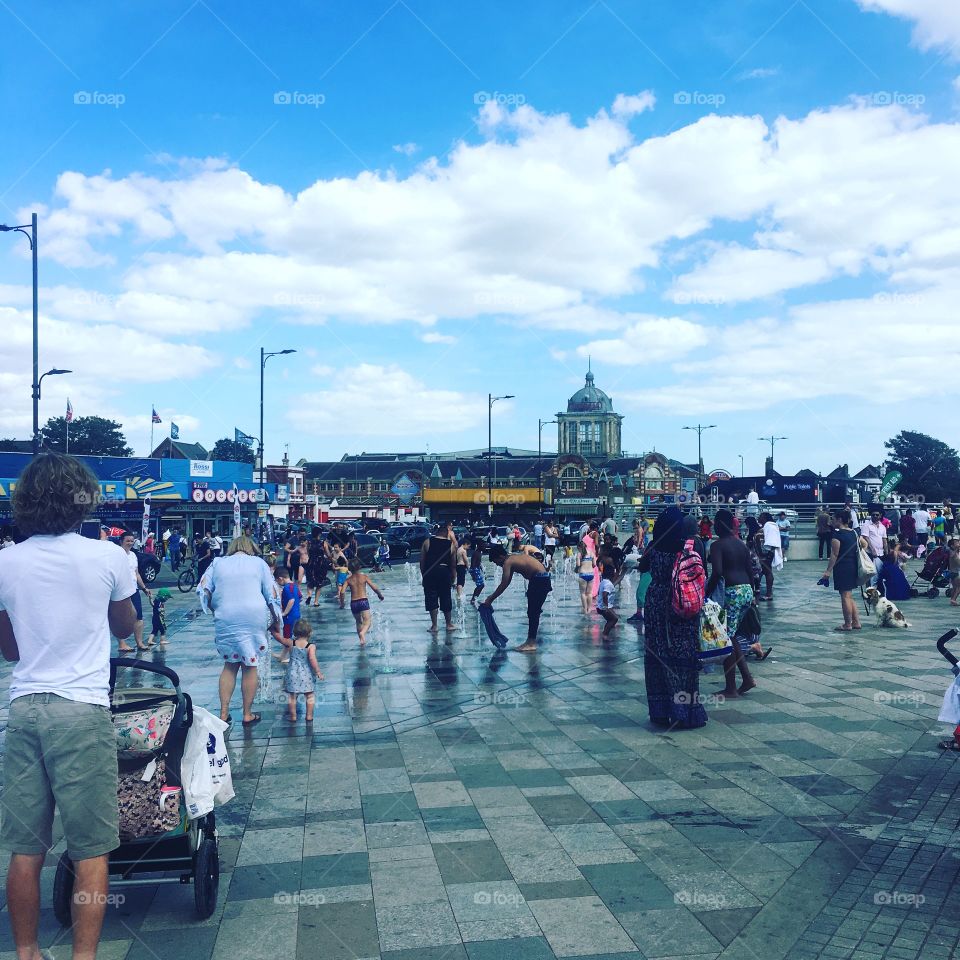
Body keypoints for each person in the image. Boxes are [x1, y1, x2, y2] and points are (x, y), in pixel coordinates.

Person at [0, 453, 137, 960]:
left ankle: (27, 952)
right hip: (81, 711)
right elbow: (124, 627)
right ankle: (83, 956)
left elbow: (10, 651)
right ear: (82, 500)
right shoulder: (108, 557)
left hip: (25, 710)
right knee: (90, 849)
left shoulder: (6, 562)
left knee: (25, 847)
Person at [636, 506, 707, 729]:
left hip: (657, 602)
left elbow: (642, 567)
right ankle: (685, 713)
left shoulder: (654, 547)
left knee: (657, 656)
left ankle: (660, 712)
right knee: (684, 657)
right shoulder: (686, 548)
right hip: (682, 603)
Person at [204, 535, 280, 727]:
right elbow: (271, 592)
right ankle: (247, 713)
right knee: (250, 665)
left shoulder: (217, 563)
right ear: (251, 548)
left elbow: (205, 589)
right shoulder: (259, 563)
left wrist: (215, 609)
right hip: (253, 615)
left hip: (226, 615)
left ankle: (223, 713)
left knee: (230, 665)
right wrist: (276, 618)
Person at [705, 509, 759, 699]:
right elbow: (750, 571)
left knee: (726, 638)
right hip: (746, 591)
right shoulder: (740, 544)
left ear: (720, 525)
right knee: (732, 636)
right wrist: (753, 595)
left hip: (731, 592)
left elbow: (717, 572)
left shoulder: (717, 545)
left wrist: (706, 593)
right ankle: (746, 678)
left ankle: (731, 687)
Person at [482, 545, 552, 652]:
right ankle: (531, 640)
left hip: (539, 580)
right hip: (543, 579)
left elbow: (504, 584)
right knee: (533, 612)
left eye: (496, 562)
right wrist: (491, 598)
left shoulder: (508, 562)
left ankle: (531, 643)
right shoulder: (514, 558)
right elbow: (507, 582)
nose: (498, 565)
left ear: (501, 557)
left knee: (533, 612)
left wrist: (490, 599)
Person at [822, 509, 864, 632]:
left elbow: (834, 554)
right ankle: (856, 622)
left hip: (842, 567)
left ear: (839, 520)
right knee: (849, 595)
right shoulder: (854, 533)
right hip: (853, 565)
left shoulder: (837, 535)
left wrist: (828, 571)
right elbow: (864, 544)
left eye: (833, 519)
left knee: (845, 596)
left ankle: (847, 624)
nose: (831, 521)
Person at [281, 620, 324, 722]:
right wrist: (318, 671)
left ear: (295, 632)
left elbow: (280, 639)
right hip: (306, 674)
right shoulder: (310, 646)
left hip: (292, 674)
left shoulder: (291, 643)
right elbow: (312, 659)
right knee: (309, 695)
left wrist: (273, 631)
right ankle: (309, 716)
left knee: (292, 696)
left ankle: (293, 716)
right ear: (310, 633)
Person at [119, 530, 153, 652]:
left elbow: (136, 573)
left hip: (134, 589)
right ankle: (122, 644)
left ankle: (139, 643)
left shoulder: (133, 555)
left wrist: (144, 588)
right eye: (127, 541)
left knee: (139, 616)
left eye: (132, 541)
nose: (130, 543)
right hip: (120, 591)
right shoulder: (117, 554)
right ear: (121, 541)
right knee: (122, 617)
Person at [421, 524, 456, 633]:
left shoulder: (427, 542)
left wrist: (424, 575)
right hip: (444, 572)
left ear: (437, 533)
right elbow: (453, 565)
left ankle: (434, 626)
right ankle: (448, 624)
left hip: (430, 573)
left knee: (431, 597)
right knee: (446, 597)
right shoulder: (451, 545)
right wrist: (453, 578)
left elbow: (422, 561)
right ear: (446, 534)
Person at [345, 558, 384, 646]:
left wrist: (342, 603)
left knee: (358, 621)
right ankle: (363, 633)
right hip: (363, 601)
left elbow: (342, 592)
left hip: (353, 603)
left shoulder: (348, 579)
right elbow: (374, 587)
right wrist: (380, 595)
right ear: (359, 567)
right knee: (368, 622)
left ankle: (361, 640)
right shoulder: (364, 577)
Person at [757, 512, 782, 601]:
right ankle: (761, 590)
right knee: (762, 572)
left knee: (767, 572)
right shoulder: (767, 526)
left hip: (767, 554)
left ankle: (769, 594)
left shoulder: (769, 526)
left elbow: (772, 541)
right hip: (765, 553)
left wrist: (769, 554)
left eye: (760, 516)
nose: (759, 518)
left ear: (764, 518)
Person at [860, 509, 886, 585]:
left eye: (877, 515)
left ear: (880, 516)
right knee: (870, 573)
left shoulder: (882, 527)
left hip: (881, 553)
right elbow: (866, 538)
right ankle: (869, 589)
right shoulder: (866, 525)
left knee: (879, 573)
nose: (875, 516)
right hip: (870, 553)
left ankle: (878, 589)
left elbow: (884, 539)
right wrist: (872, 550)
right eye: (873, 515)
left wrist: (886, 551)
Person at [277, 566, 302, 641]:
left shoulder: (287, 588)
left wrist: (284, 613)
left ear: (280, 578)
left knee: (287, 637)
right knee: (296, 635)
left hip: (289, 617)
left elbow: (291, 600)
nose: (277, 583)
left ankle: (289, 648)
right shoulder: (294, 585)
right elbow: (300, 598)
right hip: (297, 615)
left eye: (277, 581)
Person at [596, 564, 619, 636]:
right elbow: (604, 595)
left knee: (611, 619)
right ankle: (605, 635)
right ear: (612, 574)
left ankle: (606, 632)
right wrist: (606, 607)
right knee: (614, 619)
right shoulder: (608, 584)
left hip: (602, 606)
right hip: (604, 607)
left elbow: (599, 592)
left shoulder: (603, 581)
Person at [576, 541, 596, 615]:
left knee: (583, 593)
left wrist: (576, 569)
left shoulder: (579, 554)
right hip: (591, 574)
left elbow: (578, 565)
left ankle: (585, 609)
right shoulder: (591, 553)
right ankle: (589, 609)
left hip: (583, 574)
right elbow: (594, 564)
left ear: (579, 548)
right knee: (589, 593)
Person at [468, 537, 486, 603]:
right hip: (474, 569)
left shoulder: (479, 552)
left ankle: (474, 598)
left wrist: (482, 570)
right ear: (479, 546)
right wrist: (473, 574)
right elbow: (473, 564)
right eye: (483, 546)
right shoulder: (476, 553)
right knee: (480, 585)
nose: (485, 547)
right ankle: (473, 599)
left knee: (481, 585)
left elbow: (479, 562)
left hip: (477, 569)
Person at [949, 539, 960, 606]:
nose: (958, 544)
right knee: (959, 587)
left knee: (955, 587)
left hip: (952, 572)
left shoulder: (955, 552)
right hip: (956, 572)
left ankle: (952, 600)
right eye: (957, 543)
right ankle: (953, 599)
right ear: (952, 546)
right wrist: (956, 549)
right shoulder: (953, 553)